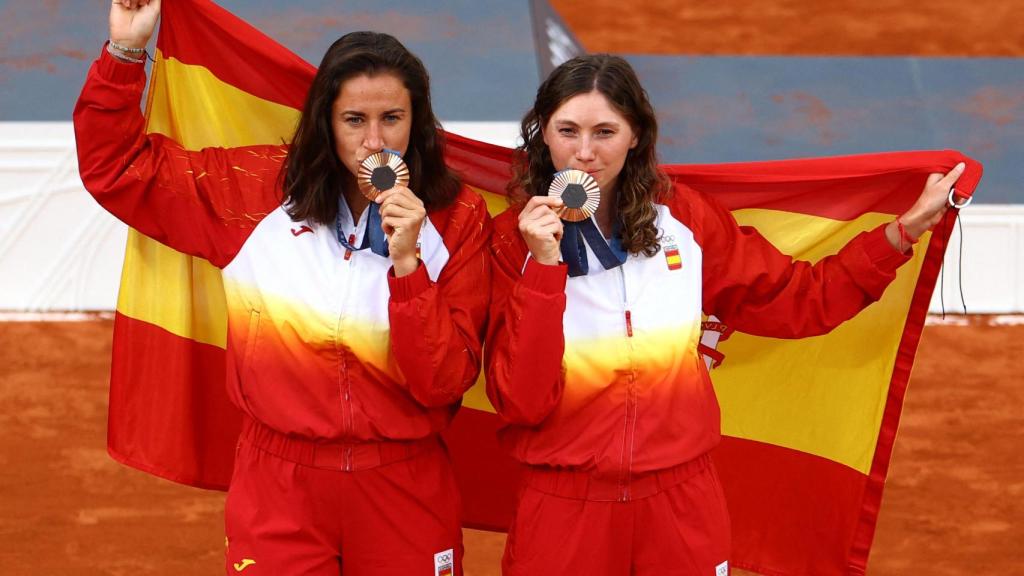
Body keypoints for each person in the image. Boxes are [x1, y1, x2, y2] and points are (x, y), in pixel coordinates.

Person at [485, 54, 963, 576]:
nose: (584, 152)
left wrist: (901, 234)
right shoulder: (513, 242)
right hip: (564, 505)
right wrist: (544, 268)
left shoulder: (686, 220)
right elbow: (521, 402)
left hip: (680, 499)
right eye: (567, 131)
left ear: (636, 135)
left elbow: (797, 299)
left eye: (605, 131)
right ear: (544, 135)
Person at [75, 1, 491, 574]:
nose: (376, 142)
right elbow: (118, 168)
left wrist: (409, 266)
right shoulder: (255, 194)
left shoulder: (458, 217)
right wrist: (126, 50)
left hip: (404, 483)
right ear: (325, 120)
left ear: (417, 122)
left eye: (392, 118)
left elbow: (442, 381)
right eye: (354, 121)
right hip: (280, 483)